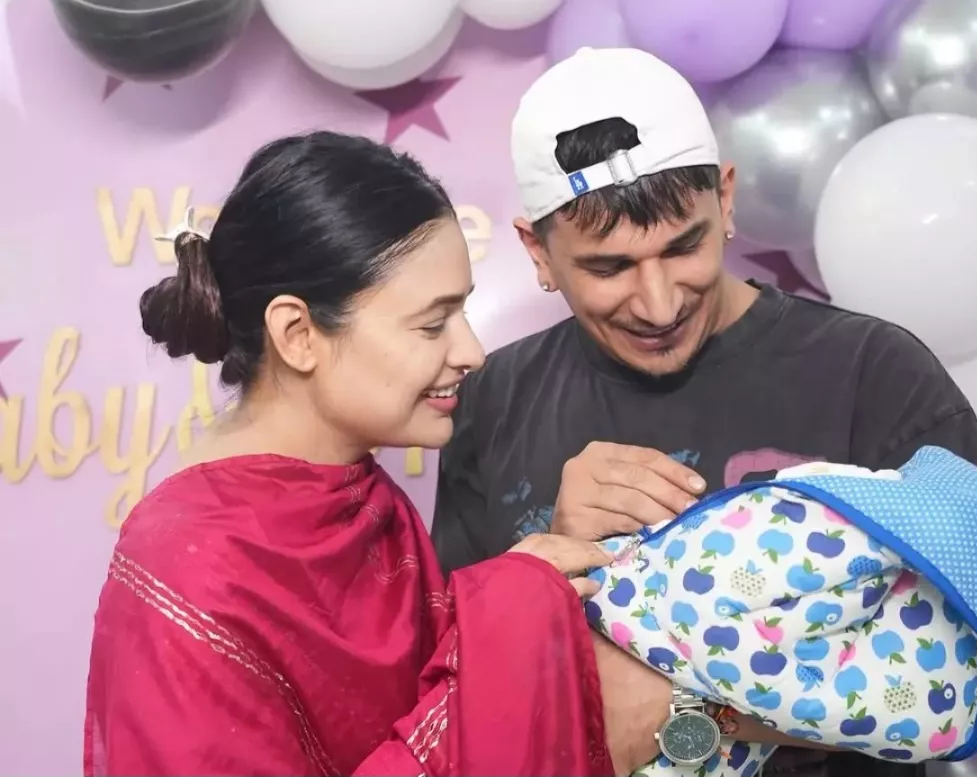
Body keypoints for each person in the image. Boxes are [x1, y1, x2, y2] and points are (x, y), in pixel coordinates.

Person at [431, 48, 977, 777]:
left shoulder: (877, 376)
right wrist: (546, 570)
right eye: (609, 267)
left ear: (724, 201)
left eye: (683, 246)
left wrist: (684, 711)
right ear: (538, 251)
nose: (659, 303)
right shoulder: (492, 399)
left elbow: (961, 683)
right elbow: (458, 685)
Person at [84, 131, 673, 777]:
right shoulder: (187, 572)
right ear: (298, 334)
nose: (471, 351)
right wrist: (512, 611)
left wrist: (539, 587)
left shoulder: (365, 500)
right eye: (433, 323)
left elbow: (423, 701)